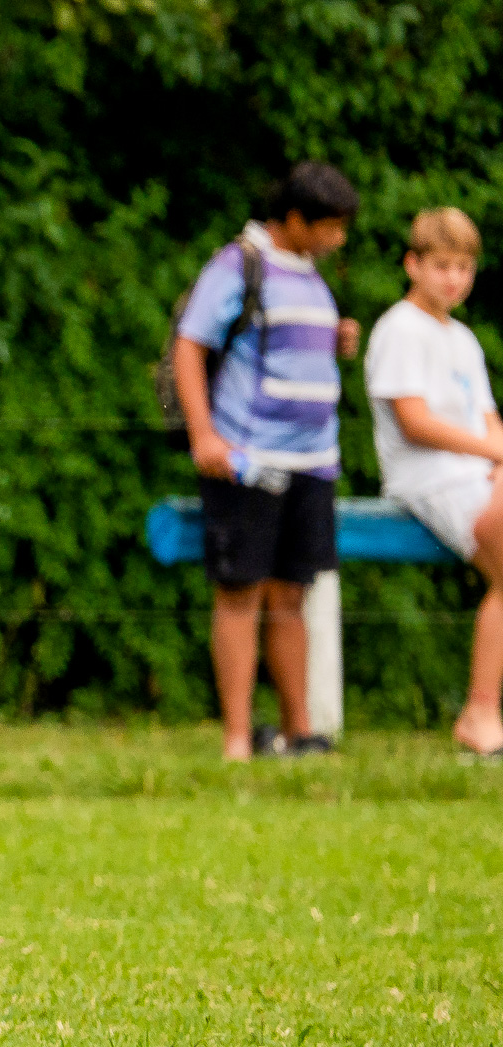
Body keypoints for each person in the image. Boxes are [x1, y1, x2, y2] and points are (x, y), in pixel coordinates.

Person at [171, 161, 362, 760]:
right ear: (297, 220)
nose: (339, 240)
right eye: (330, 228)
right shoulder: (239, 264)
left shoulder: (309, 273)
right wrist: (205, 436)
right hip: (247, 460)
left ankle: (297, 733)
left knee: (291, 596)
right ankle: (235, 739)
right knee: (240, 593)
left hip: (312, 461)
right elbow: (190, 346)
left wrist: (336, 340)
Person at [365, 208, 503, 755]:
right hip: (429, 480)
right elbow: (415, 422)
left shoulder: (463, 338)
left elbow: (487, 418)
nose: (454, 278)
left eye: (465, 267)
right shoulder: (399, 329)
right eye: (442, 265)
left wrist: (498, 454)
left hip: (476, 473)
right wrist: (493, 451)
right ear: (412, 265)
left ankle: (482, 712)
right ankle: (480, 712)